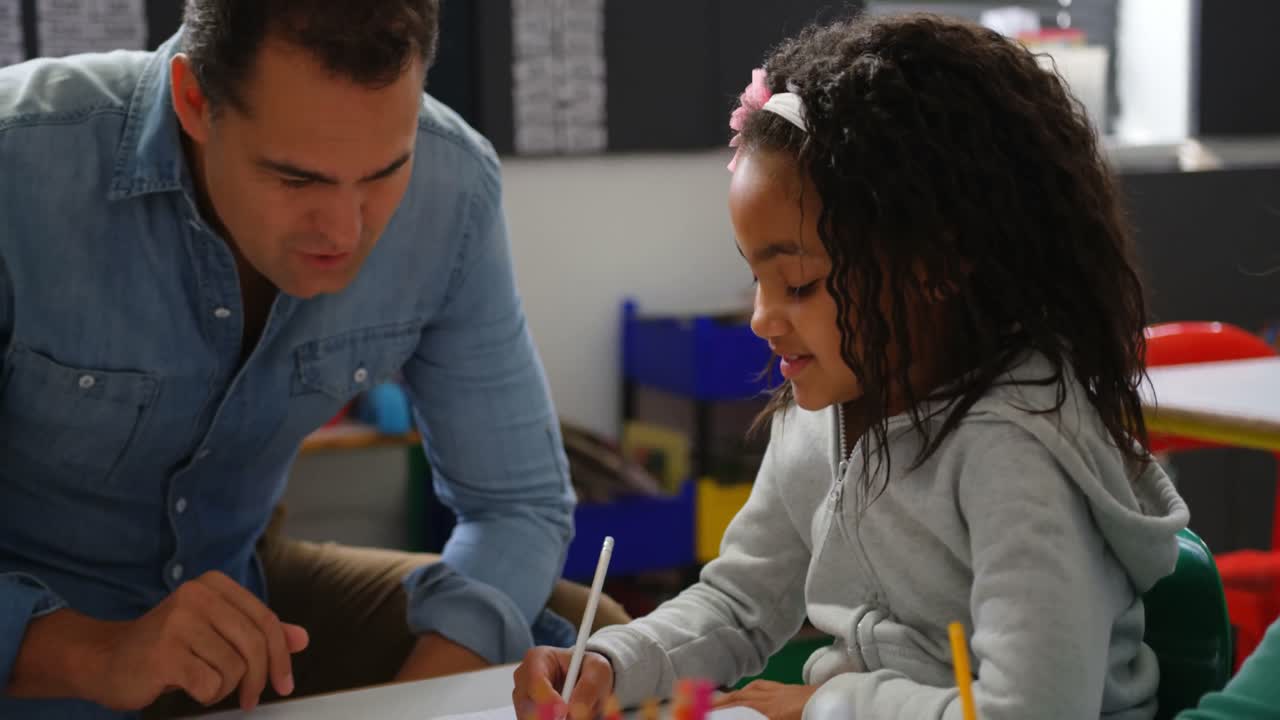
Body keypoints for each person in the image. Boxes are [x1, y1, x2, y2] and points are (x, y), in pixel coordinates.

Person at [513, 13, 1189, 720]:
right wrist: (611, 663)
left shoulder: (1015, 453)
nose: (762, 318)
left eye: (798, 284)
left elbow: (1032, 711)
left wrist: (830, 703)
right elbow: (739, 605)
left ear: (933, 266)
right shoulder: (819, 419)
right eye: (756, 279)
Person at [0, 1, 605, 717]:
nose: (345, 232)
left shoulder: (454, 185)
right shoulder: (19, 168)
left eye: (385, 172)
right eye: (297, 180)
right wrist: (92, 653)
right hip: (44, 640)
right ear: (195, 100)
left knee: (584, 648)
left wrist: (415, 705)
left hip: (243, 589)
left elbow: (518, 506)